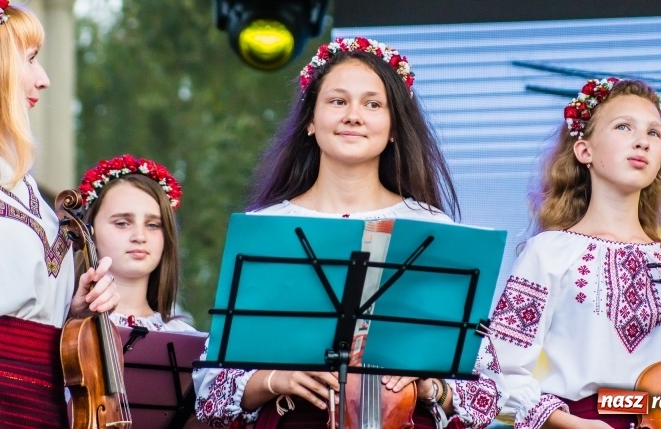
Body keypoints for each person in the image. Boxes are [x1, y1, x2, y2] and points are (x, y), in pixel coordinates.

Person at [193, 37, 502, 428]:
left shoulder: (433, 229)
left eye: (373, 104)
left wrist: (431, 388)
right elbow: (209, 388)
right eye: (338, 101)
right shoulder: (268, 227)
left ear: (393, 128)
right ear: (310, 120)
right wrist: (277, 380)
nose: (353, 116)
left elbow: (487, 390)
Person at [488, 78, 661, 429]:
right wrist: (571, 424)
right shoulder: (549, 251)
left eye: (654, 134)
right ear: (585, 151)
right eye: (623, 127)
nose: (642, 141)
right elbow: (499, 371)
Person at [0, 0, 118, 428]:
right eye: (30, 60)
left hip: (48, 408)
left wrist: (76, 310)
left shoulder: (27, 188)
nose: (44, 78)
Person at [78, 153, 195, 333]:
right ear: (90, 231)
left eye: (153, 225)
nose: (140, 236)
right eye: (122, 223)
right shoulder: (66, 325)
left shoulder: (188, 338)